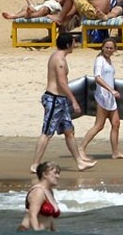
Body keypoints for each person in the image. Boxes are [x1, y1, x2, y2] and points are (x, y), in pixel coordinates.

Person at [30, 33, 97, 173]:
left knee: (69, 131)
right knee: (47, 133)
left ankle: (79, 162)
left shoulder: (58, 56)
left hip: (60, 100)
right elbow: (61, 82)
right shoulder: (59, 59)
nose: (75, 45)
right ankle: (35, 164)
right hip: (54, 99)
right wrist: (74, 101)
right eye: (74, 43)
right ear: (68, 45)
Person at [79, 38, 123, 161]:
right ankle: (81, 149)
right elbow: (97, 78)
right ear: (102, 48)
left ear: (115, 49)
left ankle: (115, 152)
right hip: (102, 96)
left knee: (116, 124)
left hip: (110, 97)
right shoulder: (99, 60)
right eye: (106, 47)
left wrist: (112, 91)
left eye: (111, 48)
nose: (108, 50)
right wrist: (110, 90)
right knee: (99, 125)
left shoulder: (109, 61)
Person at [18, 162, 62, 231]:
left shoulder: (49, 191)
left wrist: (55, 232)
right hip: (28, 233)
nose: (58, 176)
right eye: (55, 173)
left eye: (58, 174)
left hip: (43, 234)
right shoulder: (38, 191)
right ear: (44, 174)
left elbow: (50, 218)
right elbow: (32, 215)